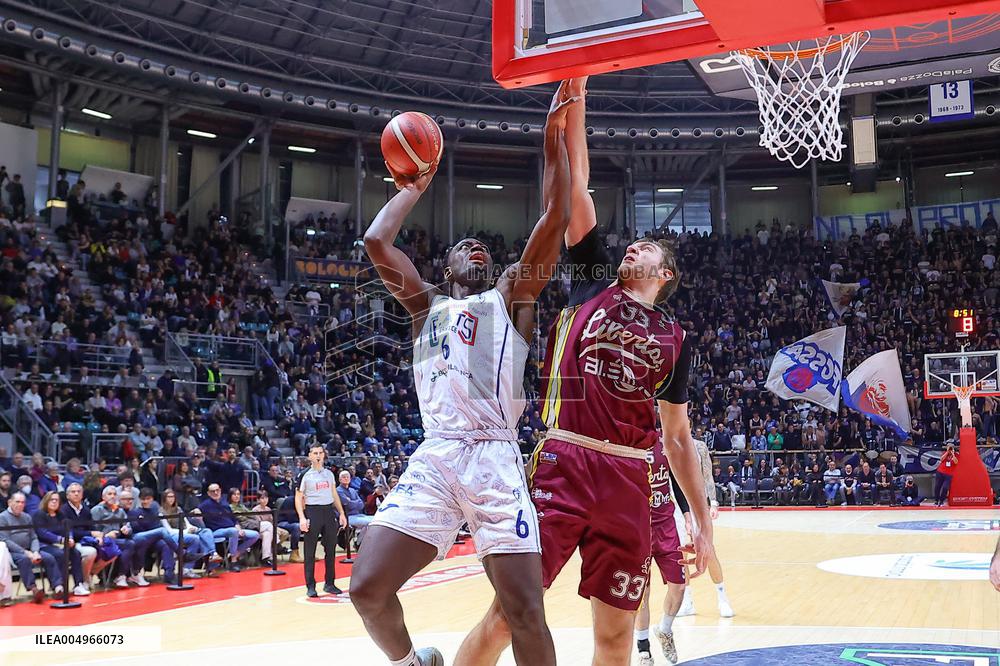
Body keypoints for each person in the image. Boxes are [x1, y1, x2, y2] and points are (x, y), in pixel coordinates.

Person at [457, 77, 714, 666]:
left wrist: (700, 520)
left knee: (616, 641)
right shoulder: (595, 278)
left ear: (666, 274)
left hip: (629, 478)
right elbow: (576, 186)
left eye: (646, 248)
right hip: (566, 461)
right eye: (630, 245)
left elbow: (677, 437)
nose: (632, 249)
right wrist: (578, 92)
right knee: (509, 615)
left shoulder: (676, 339)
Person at [351, 83, 578, 666]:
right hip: (436, 457)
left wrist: (554, 137)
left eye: (483, 247)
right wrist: (412, 188)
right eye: (464, 246)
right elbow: (376, 240)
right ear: (445, 267)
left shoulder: (511, 297)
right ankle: (413, 663)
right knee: (367, 589)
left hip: (495, 460)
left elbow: (556, 214)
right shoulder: (424, 306)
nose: (476, 247)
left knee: (525, 611)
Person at [295, 444, 347, 597]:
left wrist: (341, 513)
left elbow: (334, 494)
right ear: (310, 456)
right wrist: (302, 517)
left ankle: (330, 584)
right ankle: (310, 586)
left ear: (324, 455)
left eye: (320, 453)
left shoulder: (329, 474)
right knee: (310, 551)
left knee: (330, 549)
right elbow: (298, 498)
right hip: (312, 512)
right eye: (315, 453)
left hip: (328, 511)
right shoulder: (304, 475)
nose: (318, 456)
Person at [0, 493, 62, 602]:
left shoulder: (27, 517)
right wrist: (26, 552)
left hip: (30, 549)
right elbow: (6, 540)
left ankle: (58, 587)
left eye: (23, 502)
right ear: (10, 502)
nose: (20, 505)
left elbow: (33, 537)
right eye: (17, 502)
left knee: (49, 557)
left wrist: (35, 551)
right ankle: (34, 589)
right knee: (23, 559)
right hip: (11, 552)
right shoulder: (2, 518)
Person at [33, 491, 89, 596]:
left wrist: (70, 538)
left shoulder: (61, 515)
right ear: (46, 501)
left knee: (76, 553)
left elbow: (68, 528)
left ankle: (78, 584)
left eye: (56, 500)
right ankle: (60, 586)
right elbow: (42, 532)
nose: (54, 502)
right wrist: (60, 539)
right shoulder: (39, 514)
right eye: (52, 500)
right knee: (60, 554)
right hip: (45, 545)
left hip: (62, 543)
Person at [198, 483, 259, 571]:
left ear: (220, 491)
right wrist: (197, 512)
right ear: (208, 493)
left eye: (217, 490)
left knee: (255, 535)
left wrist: (239, 528)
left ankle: (236, 553)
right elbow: (195, 511)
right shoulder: (205, 505)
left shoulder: (225, 504)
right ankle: (233, 561)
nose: (215, 493)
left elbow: (234, 520)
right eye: (213, 491)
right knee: (233, 531)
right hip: (216, 531)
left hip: (232, 528)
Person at [90, 486, 136, 588]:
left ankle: (121, 576)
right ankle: (115, 576)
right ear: (103, 497)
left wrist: (126, 529)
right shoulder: (97, 510)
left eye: (114, 494)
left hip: (117, 538)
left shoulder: (120, 511)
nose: (112, 496)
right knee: (127, 544)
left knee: (131, 543)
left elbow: (128, 526)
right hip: (103, 540)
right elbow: (93, 529)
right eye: (109, 494)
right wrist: (106, 535)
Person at [337, 470, 373, 545]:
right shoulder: (338, 491)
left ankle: (359, 542)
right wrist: (355, 502)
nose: (346, 478)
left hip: (358, 515)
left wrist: (351, 502)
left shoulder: (353, 490)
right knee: (369, 522)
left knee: (375, 520)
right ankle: (358, 543)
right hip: (347, 517)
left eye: (347, 477)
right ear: (340, 479)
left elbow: (361, 504)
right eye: (344, 477)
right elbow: (348, 505)